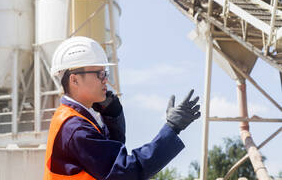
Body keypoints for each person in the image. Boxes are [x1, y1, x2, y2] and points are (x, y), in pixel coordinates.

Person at [43, 36, 201, 180]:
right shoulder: (75, 128)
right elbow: (126, 171)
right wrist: (171, 129)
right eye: (99, 74)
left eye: (105, 73)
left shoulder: (76, 119)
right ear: (74, 80)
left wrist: (113, 117)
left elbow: (112, 158)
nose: (105, 80)